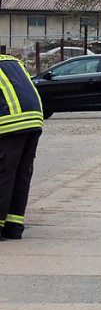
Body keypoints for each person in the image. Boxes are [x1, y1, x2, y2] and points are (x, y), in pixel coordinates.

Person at [0, 55, 44, 240]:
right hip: (34, 117)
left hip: (9, 120)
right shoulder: (12, 60)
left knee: (3, 173)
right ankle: (14, 225)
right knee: (21, 173)